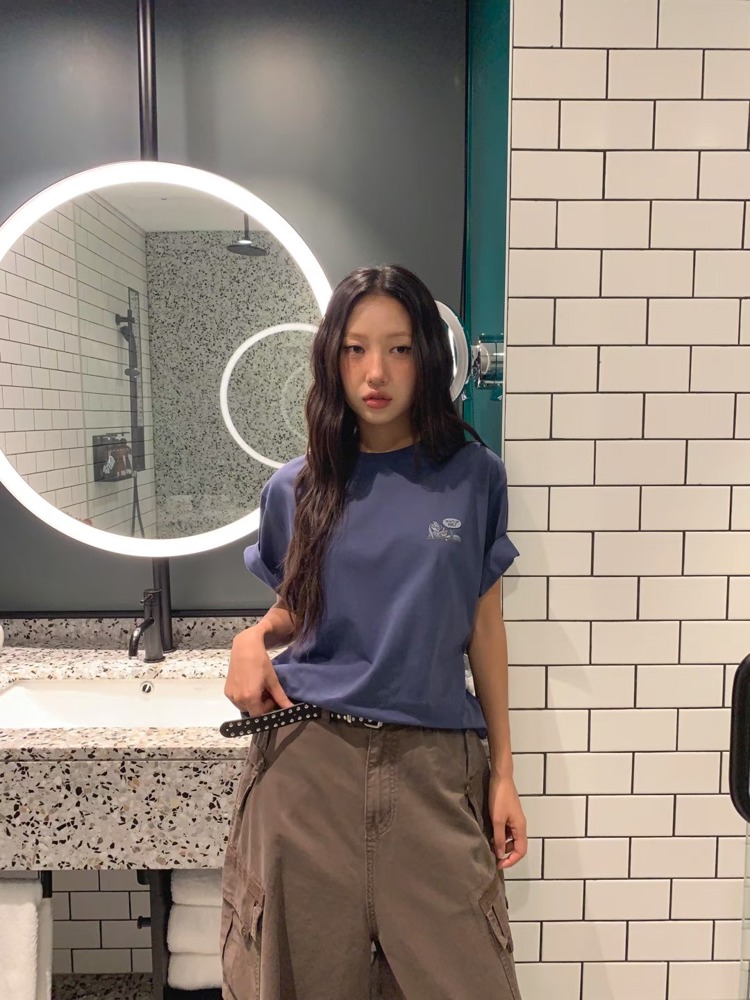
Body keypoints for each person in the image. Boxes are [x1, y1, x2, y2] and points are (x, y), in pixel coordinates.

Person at [221, 264, 526, 1000]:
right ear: (333, 358)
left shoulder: (473, 477)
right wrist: (251, 639)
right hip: (308, 768)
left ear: (429, 357)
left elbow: (484, 627)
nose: (376, 373)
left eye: (399, 349)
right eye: (356, 349)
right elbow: (299, 607)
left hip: (434, 769)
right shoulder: (296, 488)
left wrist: (505, 773)